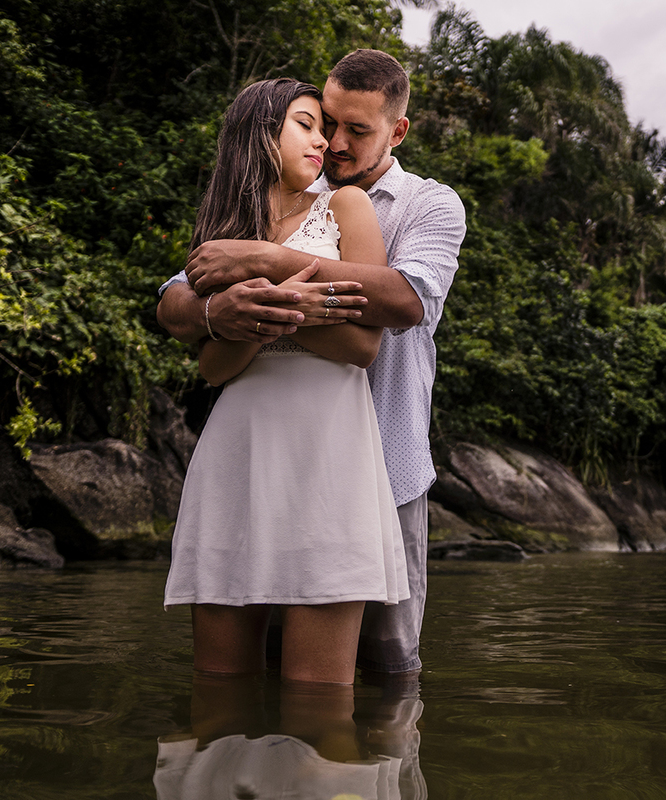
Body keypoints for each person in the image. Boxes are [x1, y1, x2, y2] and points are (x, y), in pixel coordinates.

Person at [158, 49, 467, 677]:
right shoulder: (280, 195)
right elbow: (177, 300)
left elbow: (403, 300)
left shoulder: (429, 205)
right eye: (325, 122)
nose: (335, 141)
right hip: (264, 452)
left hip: (386, 456)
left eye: (358, 130)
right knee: (258, 668)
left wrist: (269, 267)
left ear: (397, 131)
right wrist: (225, 313)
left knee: (388, 670)